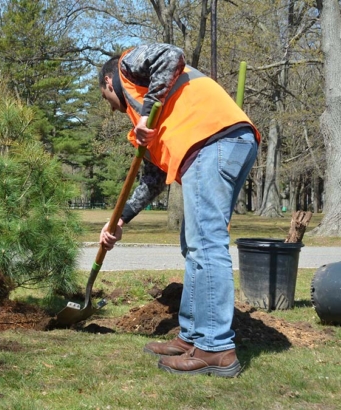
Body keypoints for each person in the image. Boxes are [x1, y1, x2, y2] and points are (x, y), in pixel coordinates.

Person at [97, 44, 260, 377]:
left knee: (207, 244)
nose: (112, 110)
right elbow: (153, 179)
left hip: (213, 140)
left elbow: (171, 54)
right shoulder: (148, 111)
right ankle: (193, 338)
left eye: (106, 99)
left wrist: (146, 112)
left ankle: (215, 348)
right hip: (220, 143)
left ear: (107, 82)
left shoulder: (128, 66)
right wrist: (120, 220)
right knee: (194, 245)